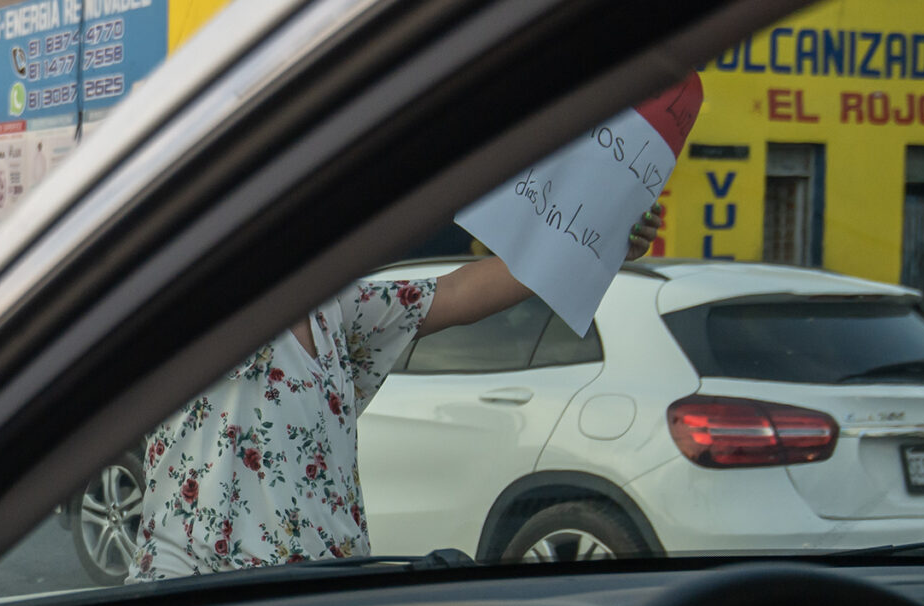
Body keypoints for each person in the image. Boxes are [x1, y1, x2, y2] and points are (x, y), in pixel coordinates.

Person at [132, 210, 662, 581]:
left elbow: (456, 293)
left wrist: (595, 243)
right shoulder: (202, 303)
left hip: (319, 602)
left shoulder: (332, 311)